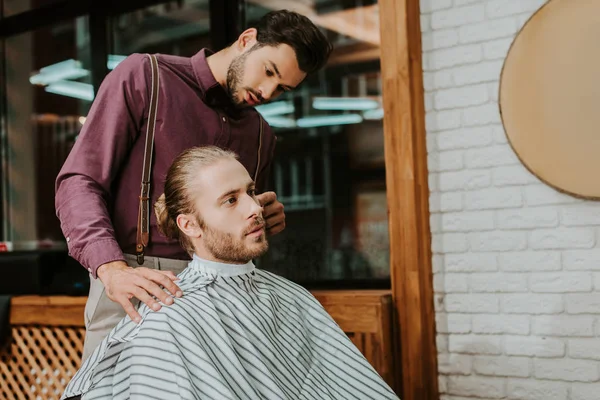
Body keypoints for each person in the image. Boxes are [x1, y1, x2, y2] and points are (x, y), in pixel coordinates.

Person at [54, 10, 333, 361]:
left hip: (225, 292)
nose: (267, 91)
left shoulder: (261, 134)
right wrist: (110, 268)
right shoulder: (146, 76)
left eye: (282, 88)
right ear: (247, 40)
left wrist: (259, 216)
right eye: (268, 71)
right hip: (136, 279)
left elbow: (227, 224)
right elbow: (79, 181)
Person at [60, 146, 399, 400]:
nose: (256, 208)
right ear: (190, 225)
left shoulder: (291, 296)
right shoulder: (168, 320)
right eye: (231, 200)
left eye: (250, 192)